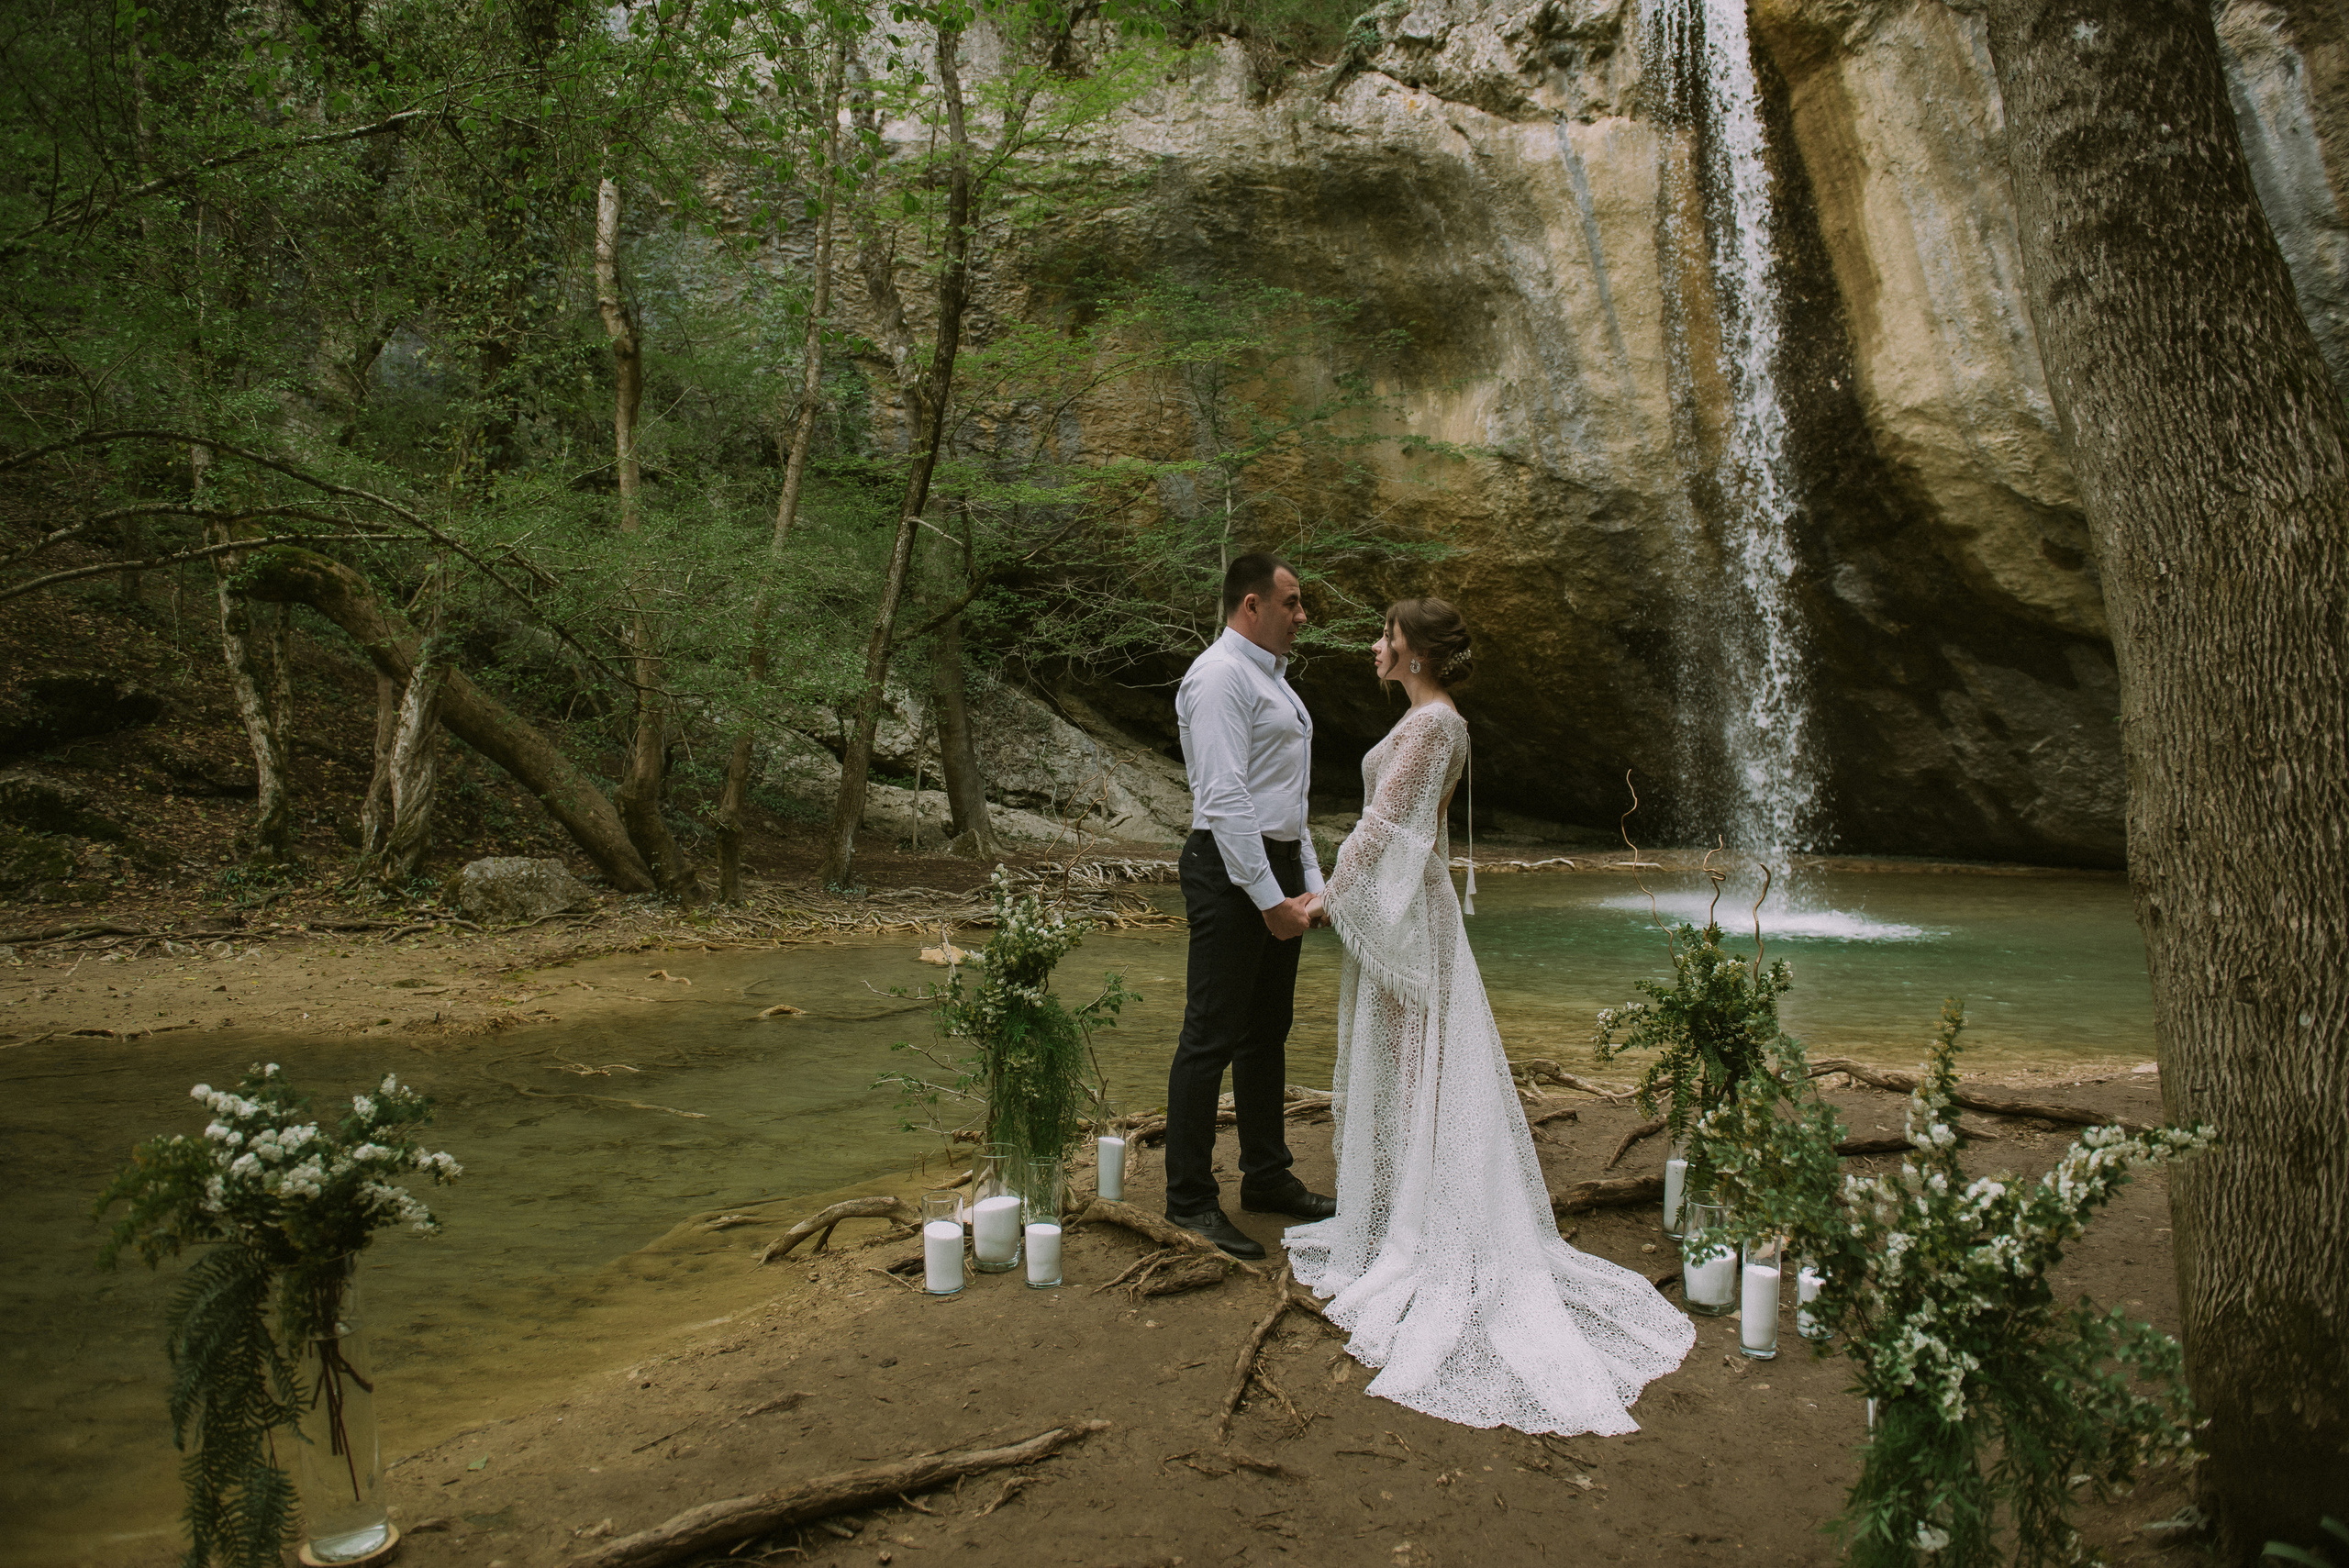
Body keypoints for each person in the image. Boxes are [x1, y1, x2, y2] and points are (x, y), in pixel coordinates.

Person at [1288, 598, 1694, 1435]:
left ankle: (1426, 1224)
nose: (1375, 645)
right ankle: (1406, 1209)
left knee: (1418, 1058)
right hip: (1408, 908)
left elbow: (1387, 824)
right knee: (1411, 1060)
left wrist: (1330, 895)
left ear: (1418, 653)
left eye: (1387, 636)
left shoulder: (1436, 724)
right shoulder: (1429, 720)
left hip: (1411, 911)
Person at [1164, 552, 1341, 1261]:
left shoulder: (1273, 678)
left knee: (1267, 1030)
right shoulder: (1218, 677)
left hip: (1275, 861)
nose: (1302, 615)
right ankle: (1188, 1200)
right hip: (1227, 866)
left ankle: (1266, 1175)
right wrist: (1269, 900)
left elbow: (1286, 800)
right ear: (1251, 604)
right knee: (1210, 1033)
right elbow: (1226, 797)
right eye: (1292, 602)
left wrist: (1312, 883)